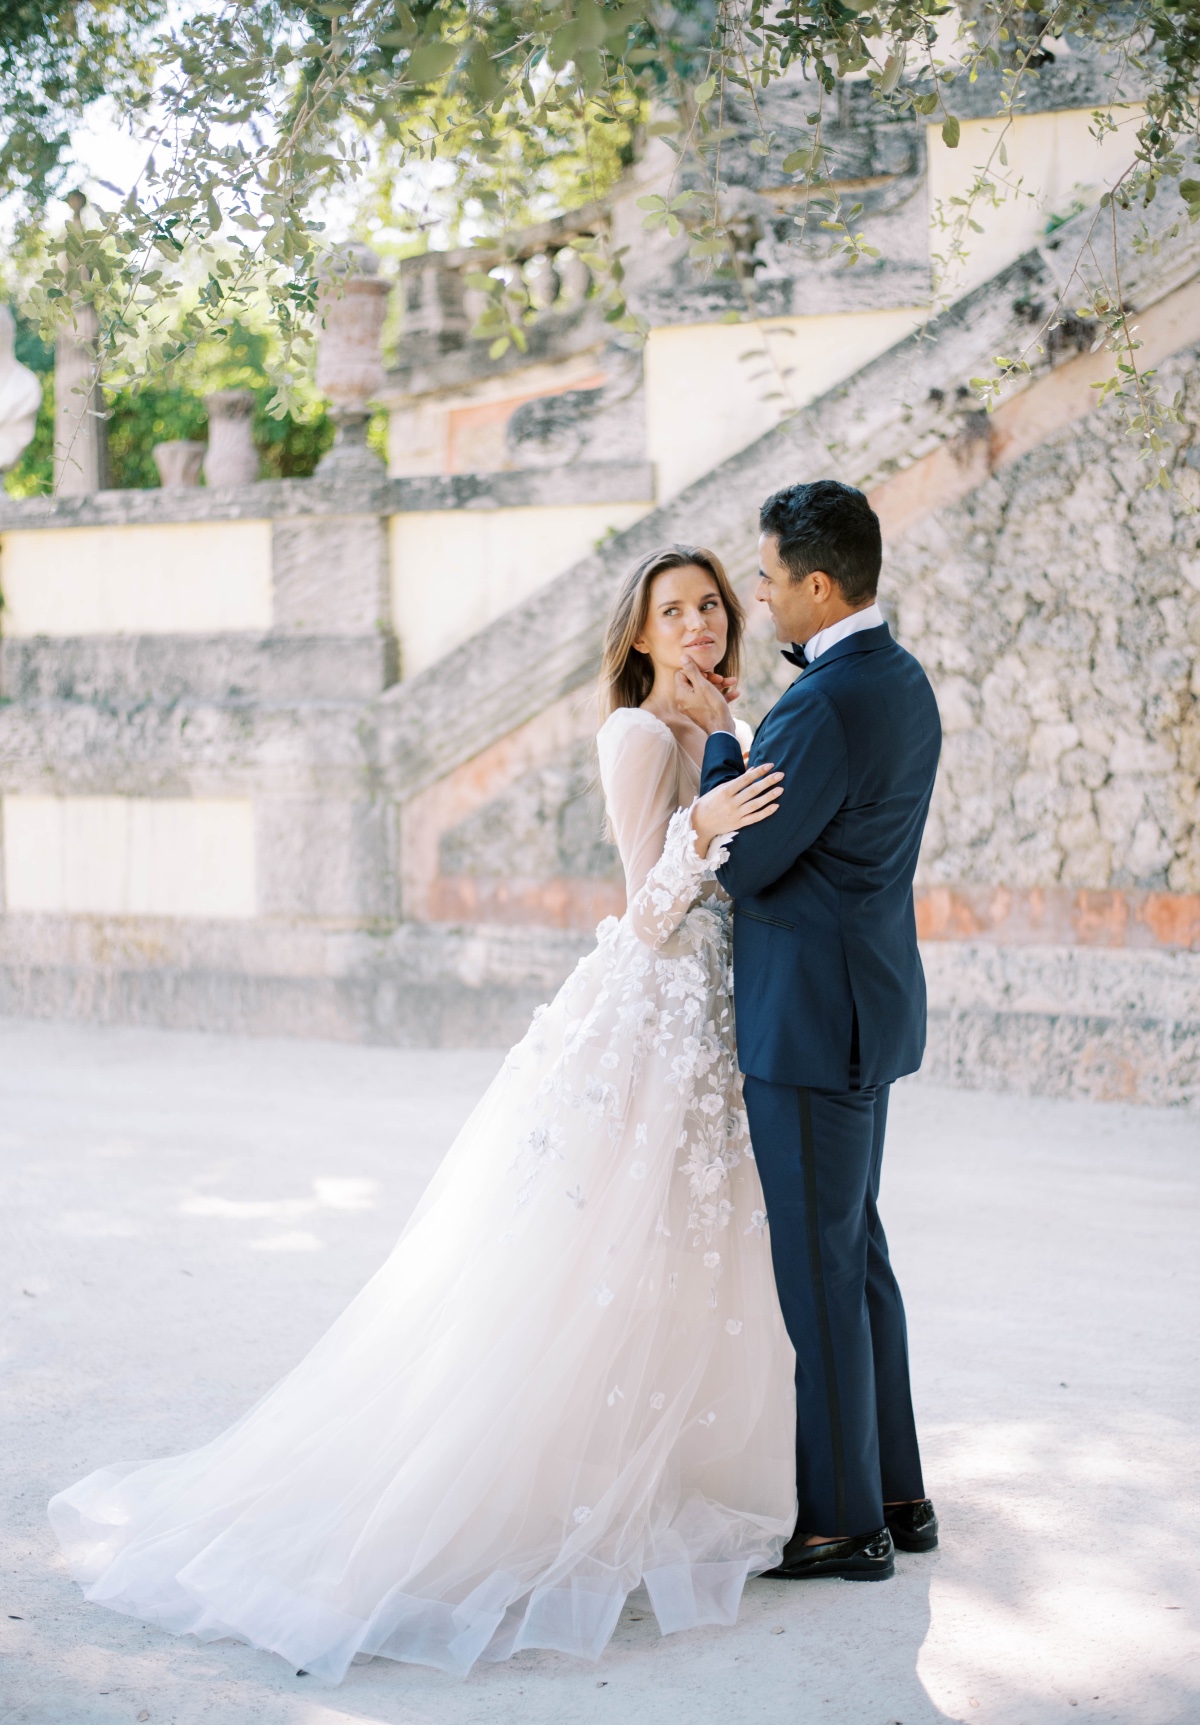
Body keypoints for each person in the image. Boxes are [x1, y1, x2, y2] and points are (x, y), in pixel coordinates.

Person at [49, 544, 797, 1684]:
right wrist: (700, 830)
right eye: (674, 611)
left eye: (710, 606)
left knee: (689, 1257)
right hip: (650, 1018)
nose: (699, 624)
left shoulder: (711, 726)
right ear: (637, 635)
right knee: (597, 1255)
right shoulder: (638, 734)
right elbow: (646, 910)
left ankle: (680, 1475)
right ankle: (543, 1496)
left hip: (711, 1025)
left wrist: (730, 746)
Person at [682, 481, 943, 1582]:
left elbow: (744, 862)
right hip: (865, 1006)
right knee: (858, 1254)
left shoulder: (821, 706)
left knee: (820, 1271)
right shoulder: (900, 680)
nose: (757, 594)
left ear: (819, 585)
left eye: (769, 578)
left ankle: (843, 1524)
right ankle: (896, 1491)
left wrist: (715, 746)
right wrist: (759, 727)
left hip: (806, 1023)